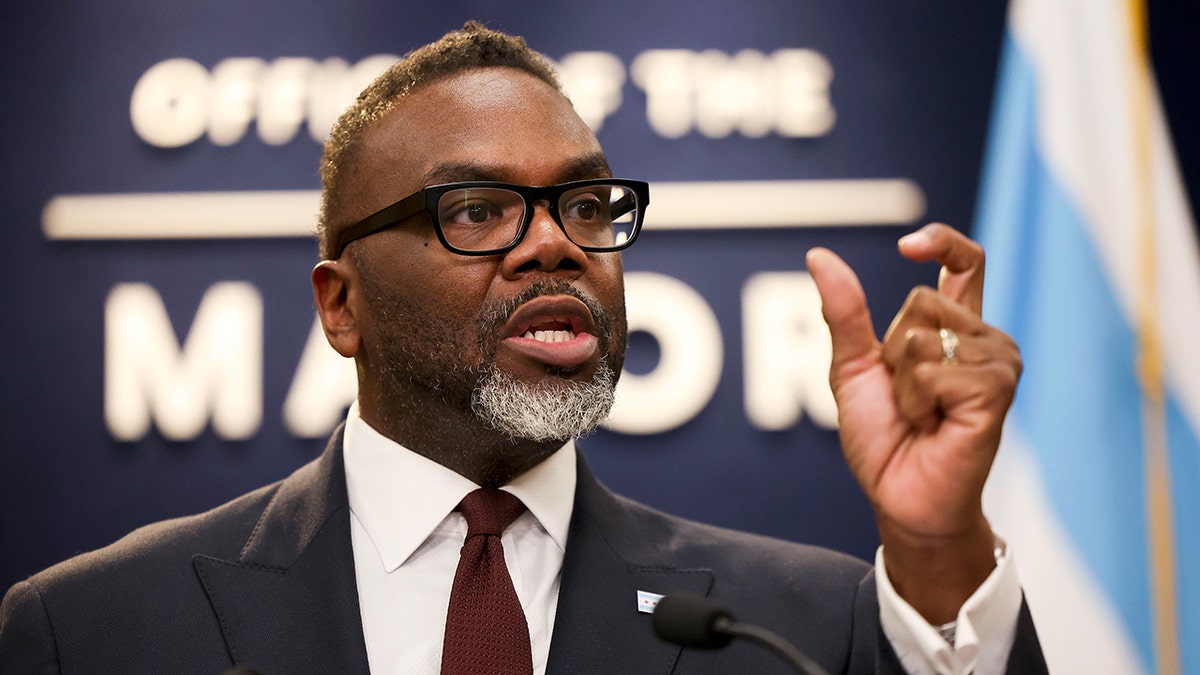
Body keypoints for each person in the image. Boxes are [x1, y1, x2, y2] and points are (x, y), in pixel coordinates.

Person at [0, 22, 1045, 674]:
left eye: (587, 204)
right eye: (479, 208)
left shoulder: (805, 627)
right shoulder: (93, 631)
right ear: (340, 306)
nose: (555, 241)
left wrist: (936, 546)